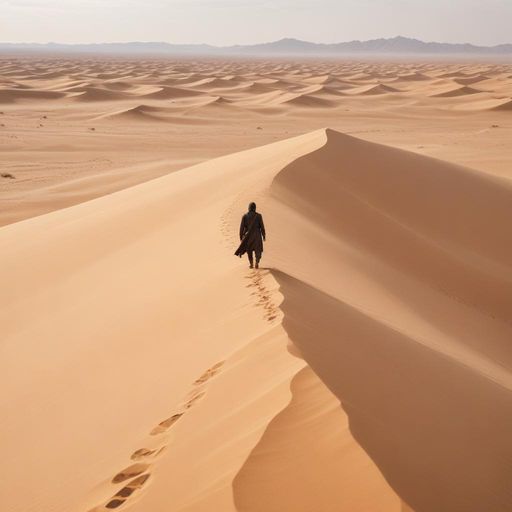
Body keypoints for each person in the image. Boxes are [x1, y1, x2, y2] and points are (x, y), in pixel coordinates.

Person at [235, 202, 266, 269]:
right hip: (257, 235)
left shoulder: (244, 216)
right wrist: (264, 235)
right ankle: (257, 262)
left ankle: (251, 263)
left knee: (249, 250)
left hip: (248, 236)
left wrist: (241, 238)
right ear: (255, 208)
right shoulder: (259, 216)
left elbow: (241, 228)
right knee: (258, 249)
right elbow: (262, 227)